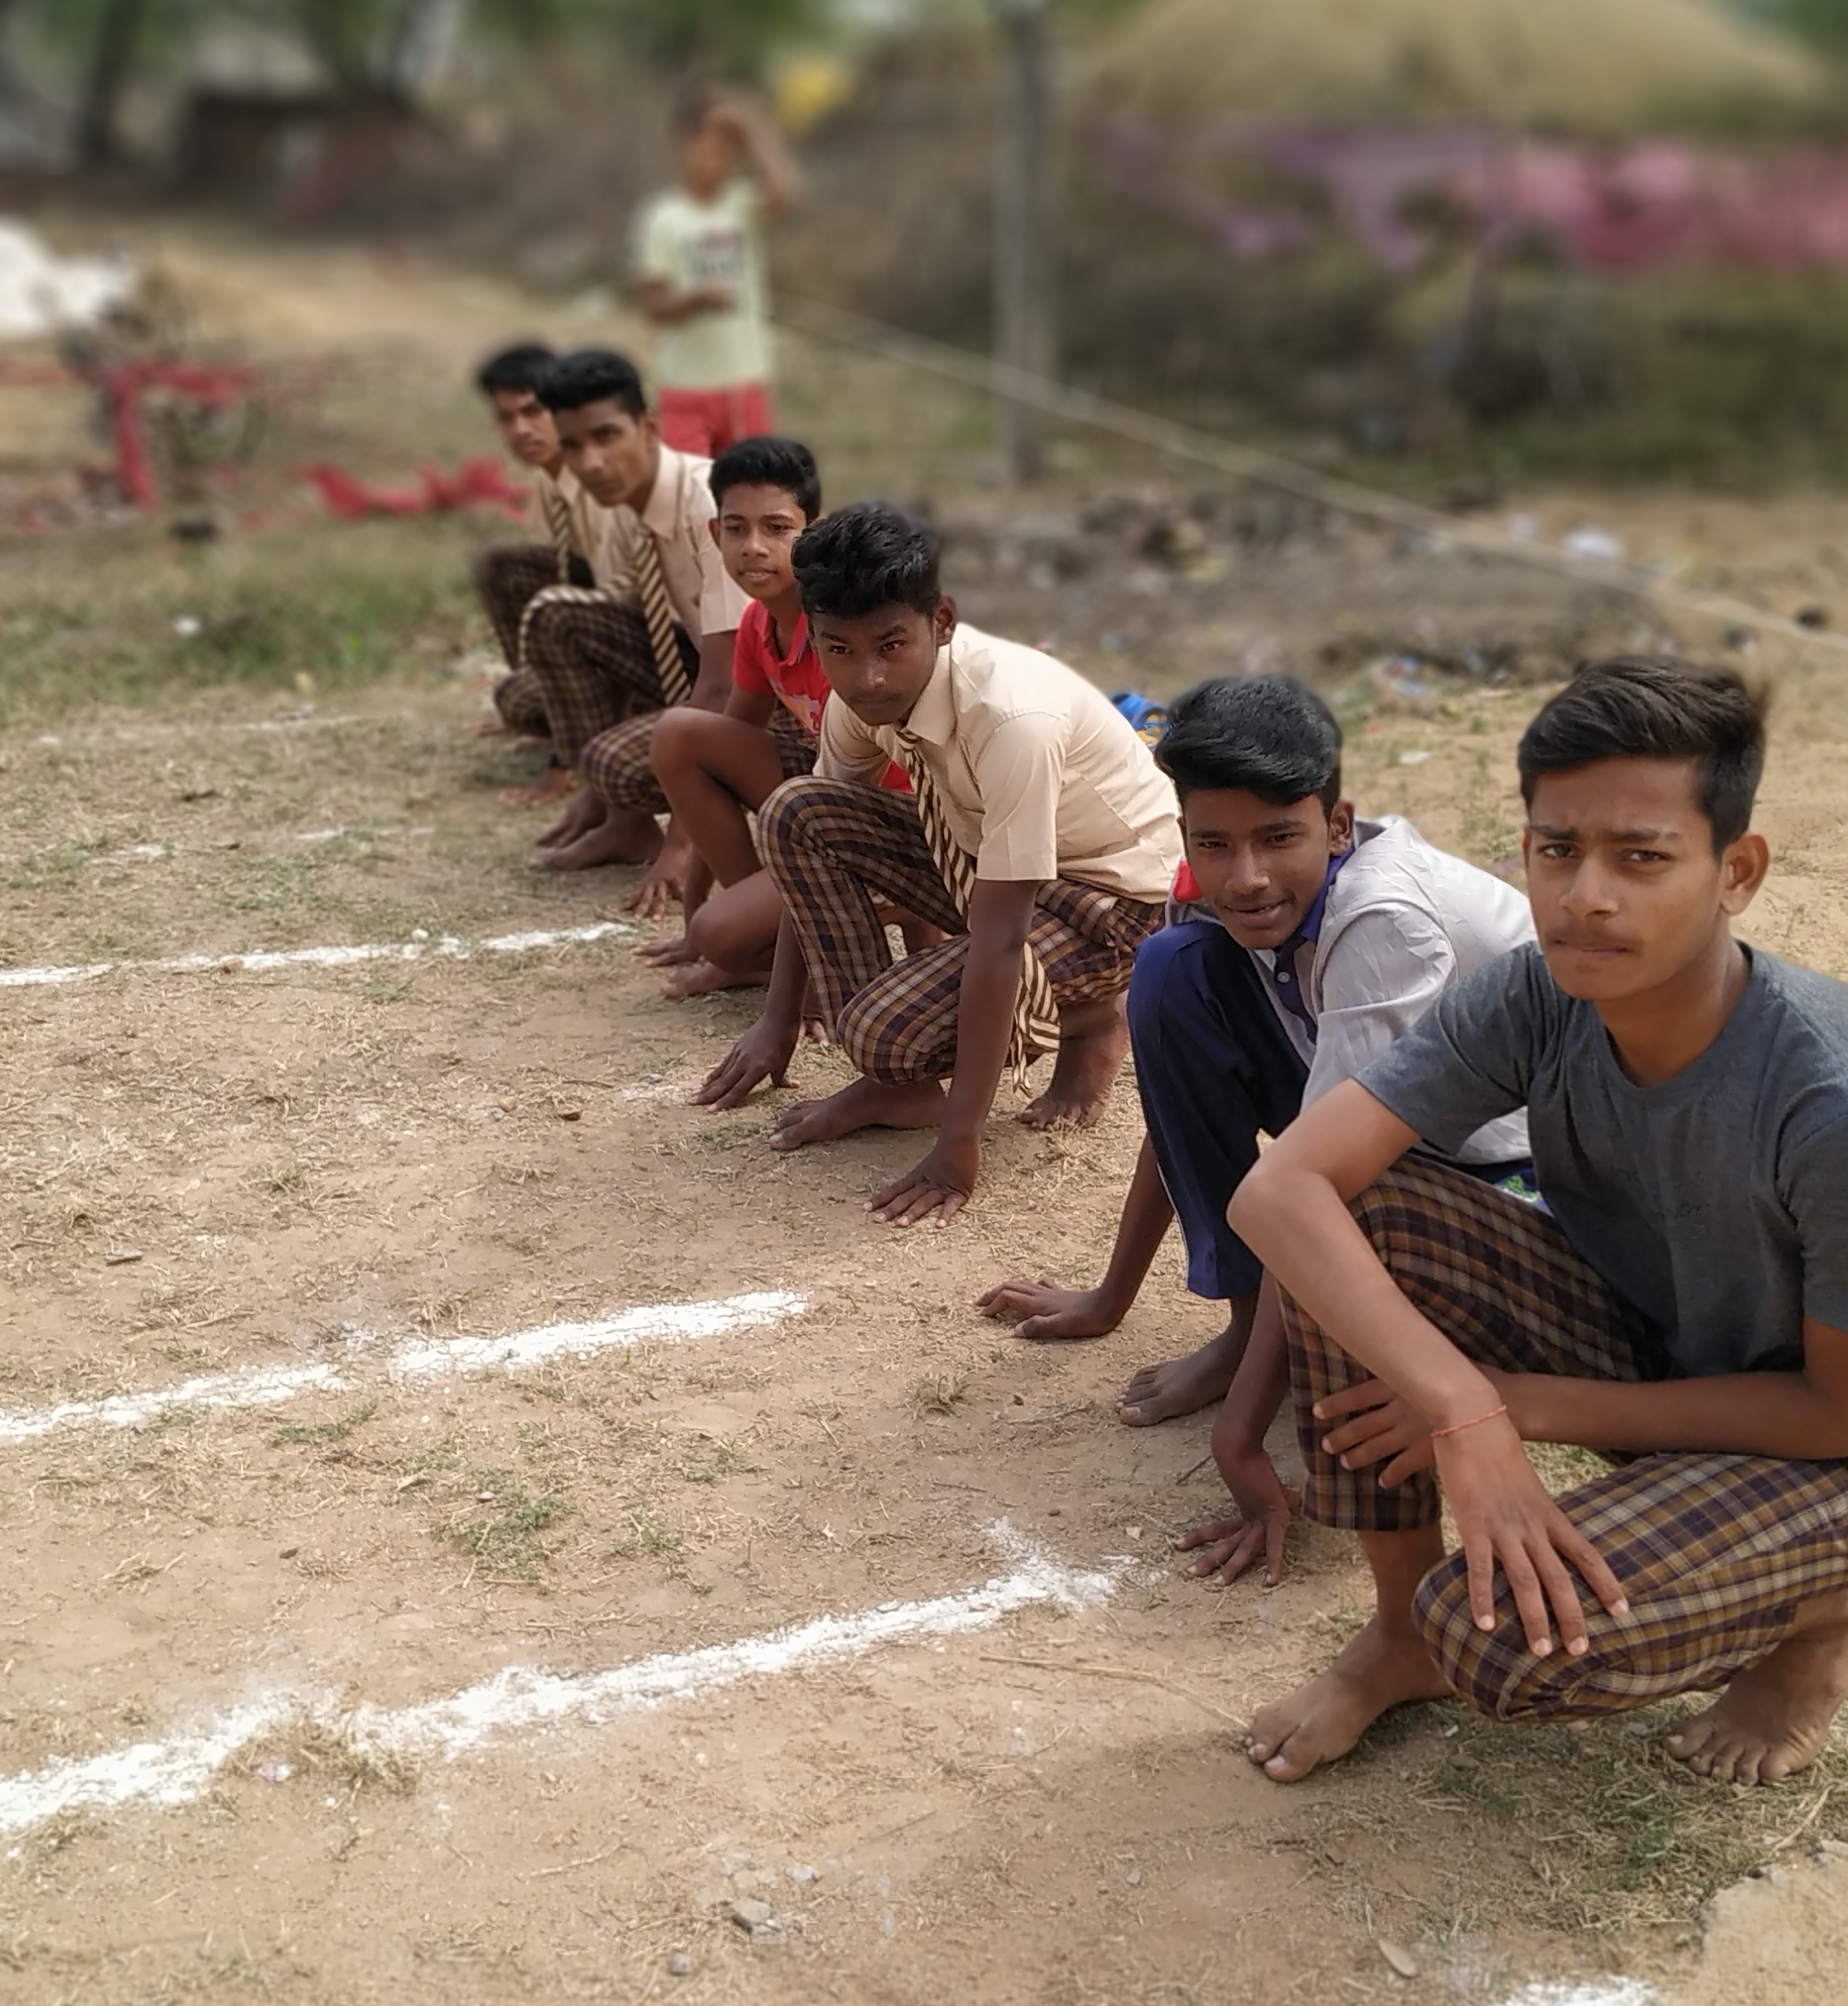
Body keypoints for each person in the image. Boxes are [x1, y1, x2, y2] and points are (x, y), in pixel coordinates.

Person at [1219, 655, 1848, 1790]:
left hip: (1846, 1450)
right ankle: (1394, 1634)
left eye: (1641, 857)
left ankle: (1835, 1606)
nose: (1586, 896)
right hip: (1653, 1339)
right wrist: (1464, 1405)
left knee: (1499, 1644)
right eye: (1557, 850)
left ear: (1736, 872)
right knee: (1355, 1207)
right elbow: (1279, 1190)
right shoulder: (1536, 993)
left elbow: (1840, 1410)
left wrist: (1518, 1403)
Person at [976, 674, 1537, 1454]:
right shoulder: (1214, 896)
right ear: (1186, 834)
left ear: (1337, 826)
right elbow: (1181, 1107)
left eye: (1278, 839)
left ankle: (1279, 1353)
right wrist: (1111, 1297)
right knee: (1172, 969)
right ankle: (1249, 1321)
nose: (1245, 877)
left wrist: (1240, 1427)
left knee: (1362, 1330)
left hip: (1508, 1171)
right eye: (1214, 843)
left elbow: (1327, 1178)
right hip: (1386, 1121)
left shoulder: (1385, 921)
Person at [698, 501, 1179, 1224]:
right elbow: (808, 850)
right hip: (990, 864)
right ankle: (896, 1085)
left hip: (1114, 903)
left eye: (891, 645)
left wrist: (959, 1146)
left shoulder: (1014, 720)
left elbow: (1001, 937)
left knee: (882, 1031)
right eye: (838, 649)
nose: (867, 677)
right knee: (796, 809)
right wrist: (779, 1021)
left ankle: (1092, 1013)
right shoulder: (861, 699)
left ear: (942, 621)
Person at [519, 348, 748, 867]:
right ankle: (624, 828)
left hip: (777, 697)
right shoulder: (624, 504)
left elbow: (727, 682)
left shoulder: (709, 504)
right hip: (697, 663)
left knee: (614, 763)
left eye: (606, 436)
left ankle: (690, 822)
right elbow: (621, 638)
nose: (590, 463)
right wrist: (597, 794)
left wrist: (683, 843)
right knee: (558, 616)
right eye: (572, 446)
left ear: (647, 428)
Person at [625, 435, 835, 995]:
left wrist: (713, 926)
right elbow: (716, 758)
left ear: (813, 532)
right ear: (716, 534)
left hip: (885, 823)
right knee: (679, 733)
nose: (754, 547)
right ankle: (764, 941)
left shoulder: (838, 630)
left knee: (721, 933)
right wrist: (695, 900)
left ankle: (806, 962)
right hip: (819, 803)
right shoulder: (757, 624)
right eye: (737, 529)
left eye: (777, 528)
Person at [633, 83, 796, 457]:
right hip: (685, 387)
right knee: (689, 487)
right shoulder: (663, 219)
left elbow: (783, 192)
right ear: (682, 147)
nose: (715, 163)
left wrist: (751, 126)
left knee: (748, 485)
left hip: (743, 384)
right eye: (707, 151)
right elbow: (653, 305)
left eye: (725, 154)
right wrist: (693, 300)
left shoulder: (741, 205)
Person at [467, 339, 582, 744]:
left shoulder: (599, 475)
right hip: (586, 630)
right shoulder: (546, 482)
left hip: (649, 642)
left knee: (500, 563)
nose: (521, 429)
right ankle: (548, 705)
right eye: (507, 418)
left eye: (533, 411)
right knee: (515, 700)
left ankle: (568, 714)